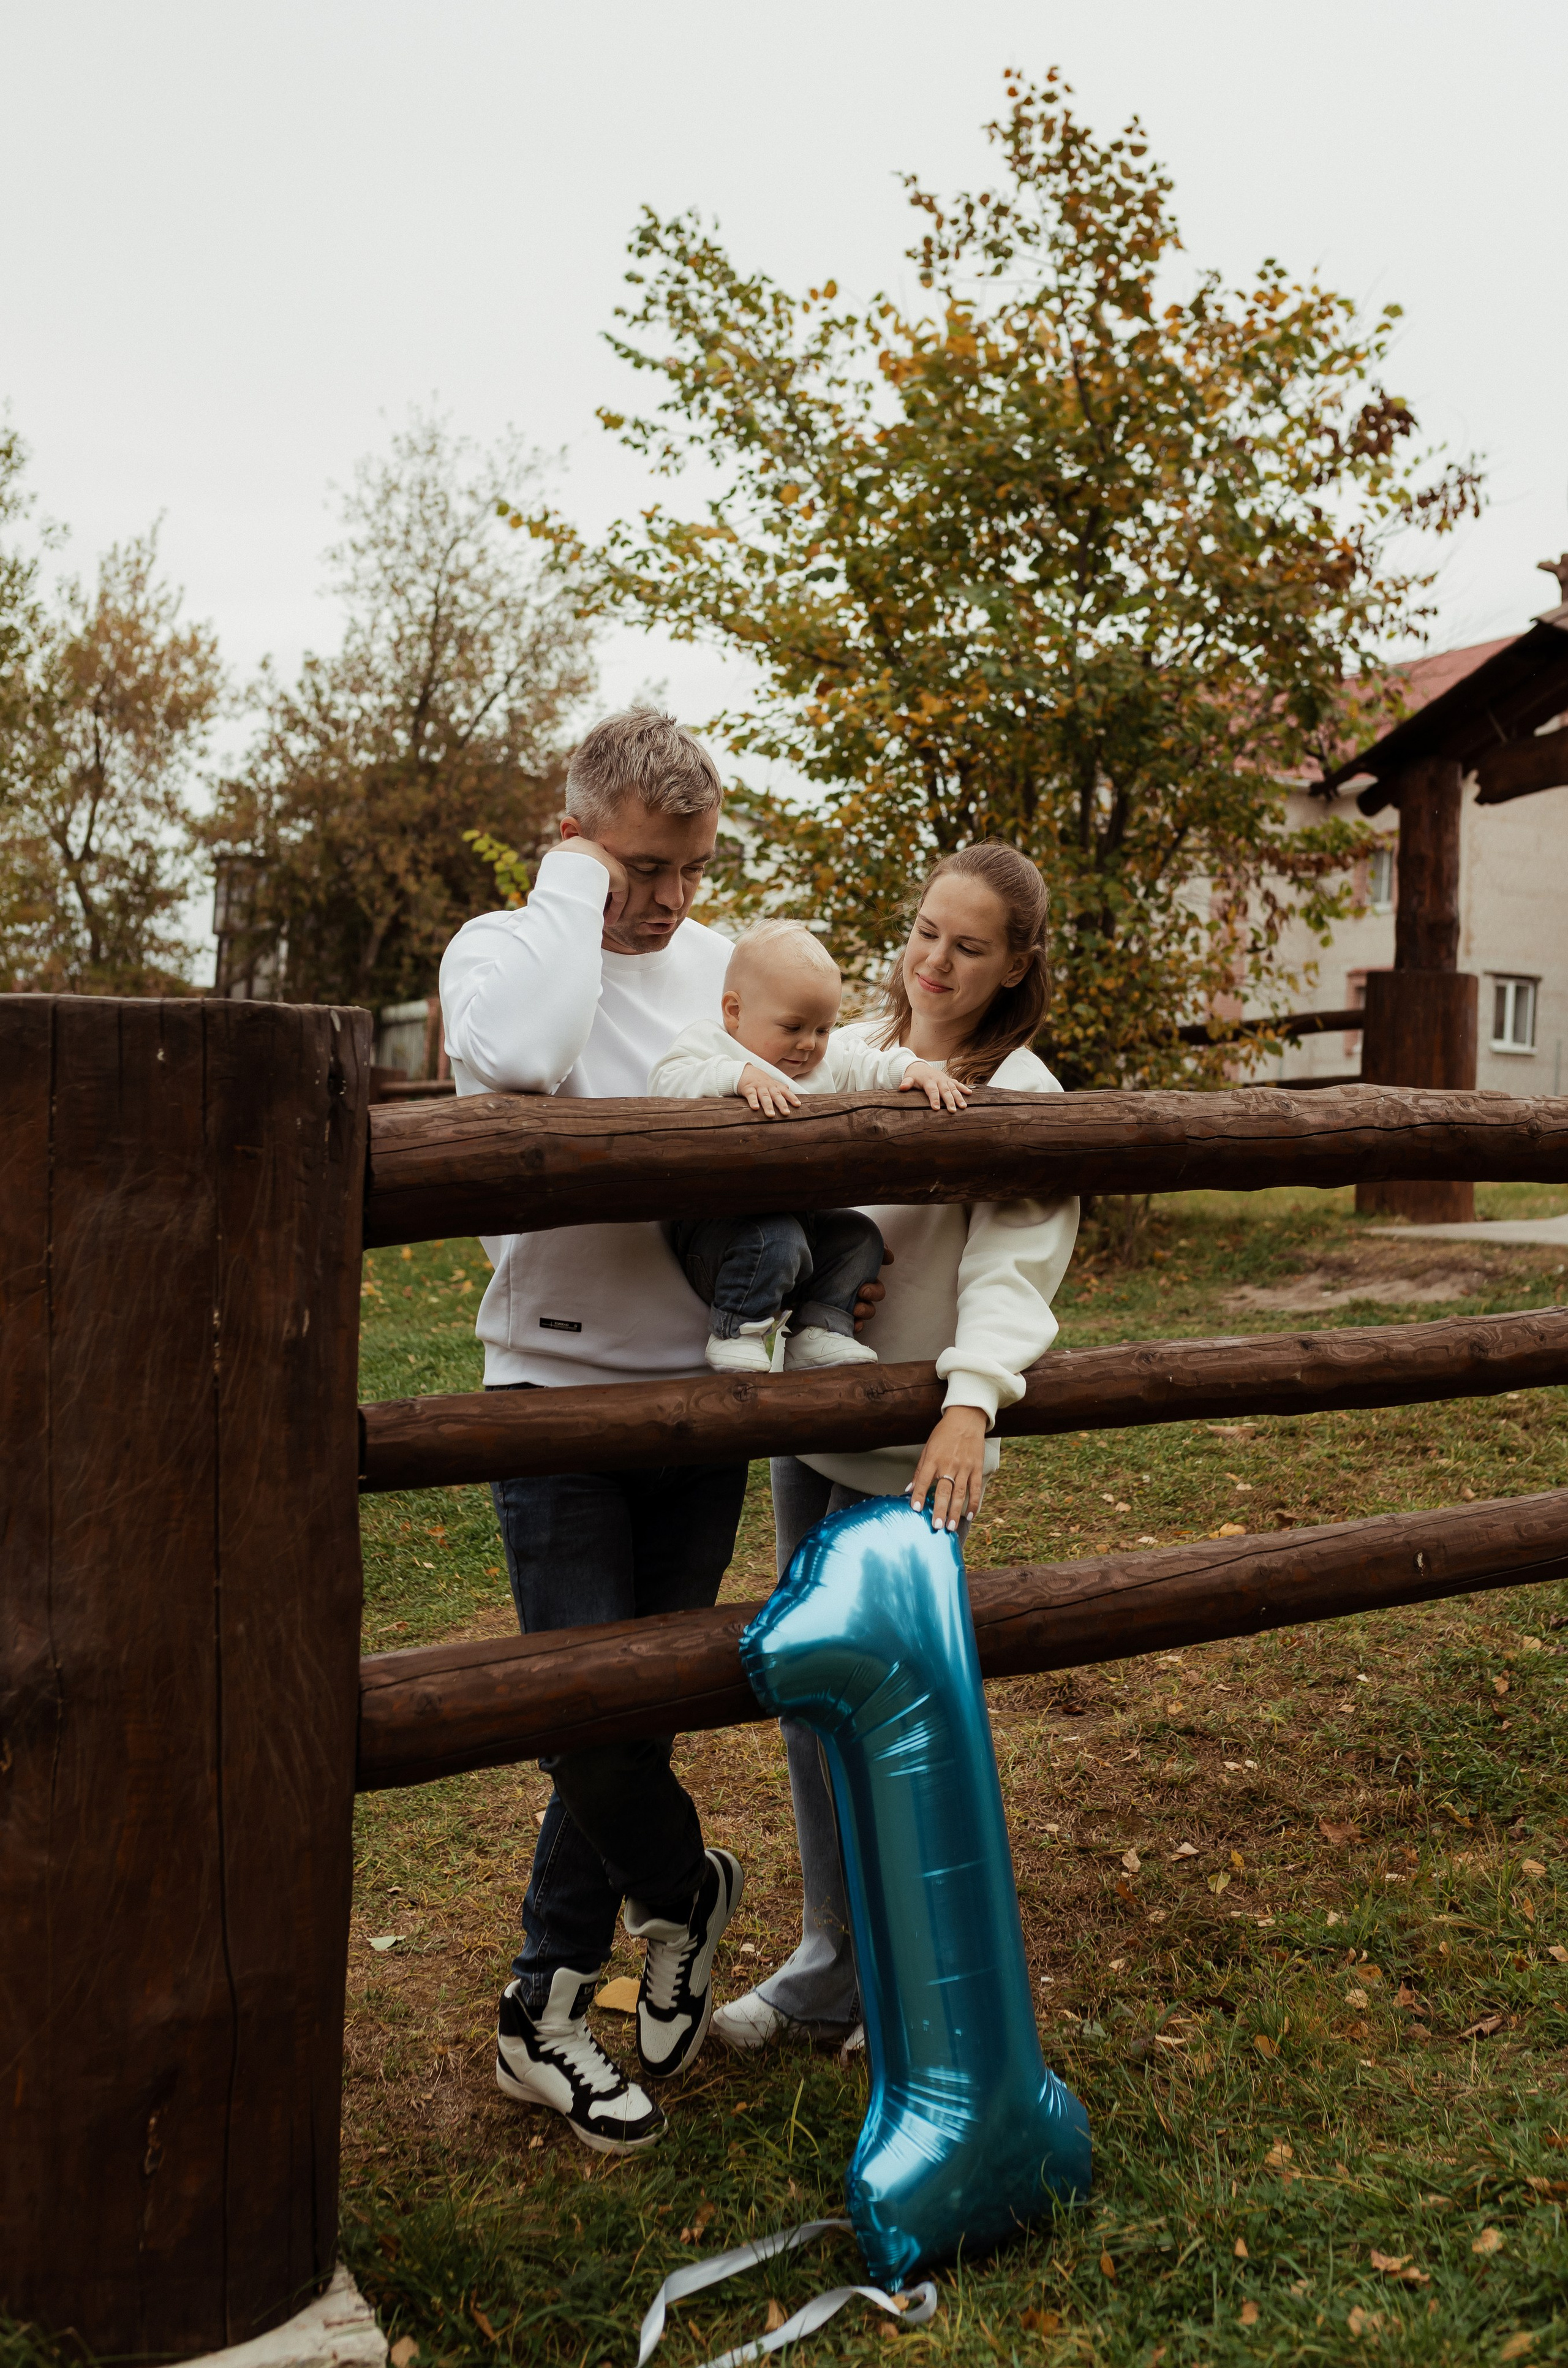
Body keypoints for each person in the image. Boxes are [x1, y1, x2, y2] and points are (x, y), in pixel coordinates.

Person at [440, 709, 756, 2155]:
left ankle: (546, 2008)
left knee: (635, 1712)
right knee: (584, 1716)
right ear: (572, 838)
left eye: (690, 865)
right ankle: (672, 1903)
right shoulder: (504, 953)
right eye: (640, 863)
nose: (671, 897)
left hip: (702, 1392)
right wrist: (573, 896)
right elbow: (518, 1061)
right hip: (554, 1394)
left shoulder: (719, 966)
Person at [709, 841, 1080, 2053]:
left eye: (967, 947)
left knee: (895, 1708)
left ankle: (910, 1960)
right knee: (805, 1693)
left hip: (914, 1444)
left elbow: (1009, 1266)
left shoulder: (1017, 1091)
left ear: (1014, 964)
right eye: (925, 931)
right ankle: (833, 1955)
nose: (932, 961)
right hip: (813, 1422)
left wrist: (969, 1401)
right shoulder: (858, 1049)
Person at [649, 918, 968, 1374]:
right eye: (793, 1026)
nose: (809, 1044)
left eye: (822, 1029)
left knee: (860, 1237)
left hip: (801, 1225)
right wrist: (734, 1076)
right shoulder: (711, 1045)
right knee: (776, 1237)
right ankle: (737, 1329)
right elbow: (665, 1084)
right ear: (735, 1011)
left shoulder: (824, 1062)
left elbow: (864, 1061)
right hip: (719, 1234)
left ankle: (820, 1328)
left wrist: (910, 1069)